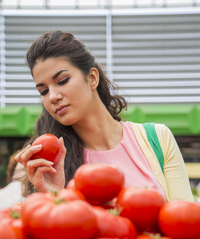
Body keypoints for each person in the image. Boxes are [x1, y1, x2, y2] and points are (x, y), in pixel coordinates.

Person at [15, 30, 194, 202]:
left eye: (62, 81)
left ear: (92, 78)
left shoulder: (158, 139)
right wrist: (57, 197)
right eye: (43, 91)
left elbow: (185, 222)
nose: (53, 97)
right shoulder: (54, 164)